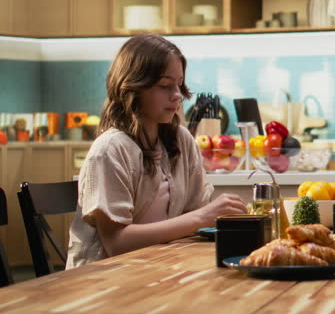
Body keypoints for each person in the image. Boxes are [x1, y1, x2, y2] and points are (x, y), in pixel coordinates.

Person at [67, 34, 246, 268]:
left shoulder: (182, 140)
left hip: (158, 267)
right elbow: (116, 244)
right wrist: (202, 217)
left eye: (179, 84)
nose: (178, 95)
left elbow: (196, 214)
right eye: (164, 85)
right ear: (133, 87)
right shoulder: (111, 149)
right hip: (102, 280)